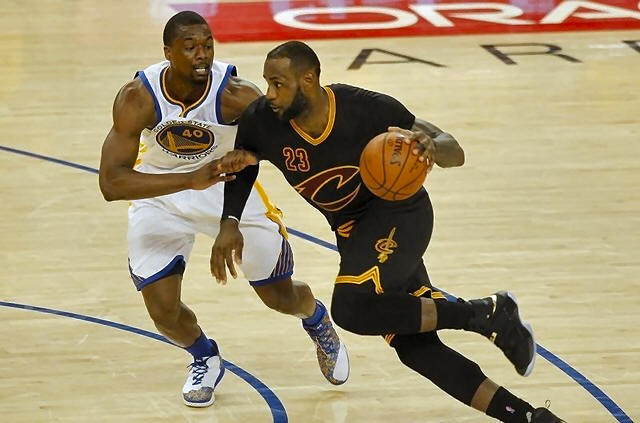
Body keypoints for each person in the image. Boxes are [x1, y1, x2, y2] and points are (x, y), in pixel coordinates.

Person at [211, 41, 565, 422]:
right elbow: (244, 163)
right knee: (415, 349)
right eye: (267, 82)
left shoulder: (366, 109)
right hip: (354, 236)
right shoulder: (263, 120)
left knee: (349, 307)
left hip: (401, 215)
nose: (269, 93)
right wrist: (230, 221)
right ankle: (527, 416)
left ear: (308, 80)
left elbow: (454, 150)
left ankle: (482, 313)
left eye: (278, 84)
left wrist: (432, 147)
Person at [98, 14, 349, 408]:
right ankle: (205, 356)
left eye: (207, 45)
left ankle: (315, 318)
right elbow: (111, 183)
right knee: (162, 311)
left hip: (228, 190)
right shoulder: (138, 97)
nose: (202, 54)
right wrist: (189, 179)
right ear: (167, 53)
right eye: (190, 47)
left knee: (278, 296)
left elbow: (282, 143)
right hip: (160, 192)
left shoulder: (236, 95)